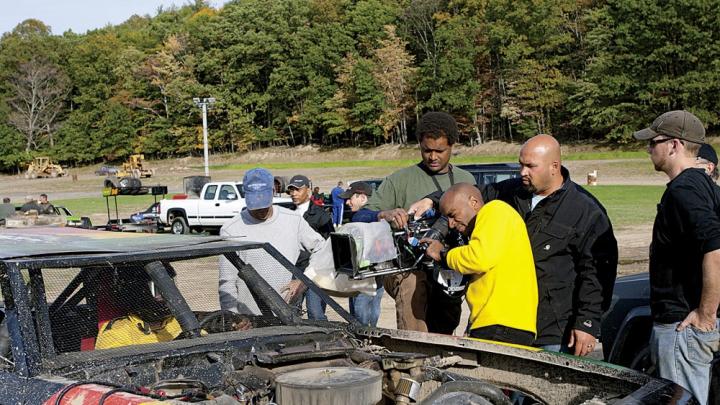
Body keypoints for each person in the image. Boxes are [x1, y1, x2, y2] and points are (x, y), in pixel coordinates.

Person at [411, 134, 618, 355]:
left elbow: (597, 272)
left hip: (554, 328)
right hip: (508, 320)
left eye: (530, 166)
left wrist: (587, 322)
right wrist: (432, 199)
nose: (522, 172)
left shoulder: (585, 210)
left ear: (554, 166)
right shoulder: (508, 192)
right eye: (521, 165)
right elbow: (465, 196)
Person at [633, 110, 720, 404]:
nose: (649, 149)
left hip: (682, 326)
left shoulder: (685, 189)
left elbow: (716, 246)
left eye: (653, 142)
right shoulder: (703, 185)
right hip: (685, 325)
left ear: (675, 145)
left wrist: (706, 313)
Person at [365, 111, 475, 333]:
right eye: (427, 150)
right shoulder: (400, 180)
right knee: (412, 284)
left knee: (444, 327)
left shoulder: (467, 181)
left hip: (448, 266)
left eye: (439, 151)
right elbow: (361, 216)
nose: (432, 156)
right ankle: (413, 354)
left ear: (452, 146)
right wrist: (384, 214)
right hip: (405, 268)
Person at [422, 183, 537, 345]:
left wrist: (443, 254)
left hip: (499, 325)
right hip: (509, 325)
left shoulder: (494, 210)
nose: (450, 224)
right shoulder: (496, 224)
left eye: (453, 214)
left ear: (474, 202)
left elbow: (478, 258)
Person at [219, 168, 326, 315]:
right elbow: (227, 283)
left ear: (273, 191)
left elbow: (322, 248)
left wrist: (304, 281)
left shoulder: (293, 221)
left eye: (264, 203)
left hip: (288, 316)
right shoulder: (231, 229)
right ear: (246, 195)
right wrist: (233, 318)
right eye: (255, 204)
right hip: (250, 319)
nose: (261, 210)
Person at [286, 174, 334, 320]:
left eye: (297, 190)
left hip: (316, 272)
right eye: (291, 190)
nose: (293, 194)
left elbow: (330, 244)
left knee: (315, 312)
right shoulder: (286, 213)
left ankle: (324, 339)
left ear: (308, 190)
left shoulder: (321, 215)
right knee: (291, 311)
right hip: (293, 269)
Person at [339, 181, 384, 326]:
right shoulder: (376, 212)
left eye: (350, 198)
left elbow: (365, 217)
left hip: (365, 273)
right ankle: (371, 337)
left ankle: (362, 338)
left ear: (363, 198)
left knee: (361, 312)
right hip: (379, 270)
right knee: (373, 307)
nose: (347, 202)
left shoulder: (361, 215)